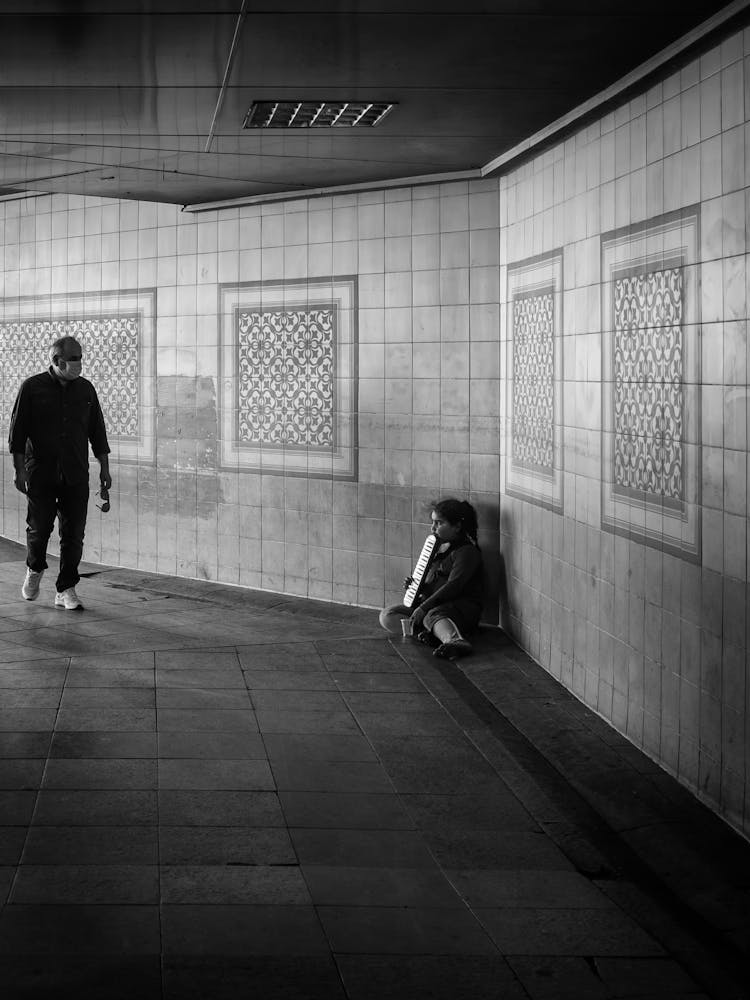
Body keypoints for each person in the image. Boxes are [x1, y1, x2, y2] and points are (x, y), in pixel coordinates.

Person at [8, 335, 111, 610]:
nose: (79, 363)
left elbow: (97, 432)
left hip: (75, 473)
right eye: (74, 358)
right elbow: (17, 433)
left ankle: (66, 588)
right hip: (40, 473)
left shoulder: (86, 390)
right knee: (39, 529)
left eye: (80, 357)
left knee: (74, 534)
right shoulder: (32, 388)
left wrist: (104, 469)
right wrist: (19, 471)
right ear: (57, 360)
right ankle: (35, 569)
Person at [379, 498, 483, 659]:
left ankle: (454, 640)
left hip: (459, 609)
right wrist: (416, 588)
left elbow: (453, 586)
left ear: (457, 526)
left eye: (439, 523)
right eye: (433, 522)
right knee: (388, 615)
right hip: (433, 606)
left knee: (431, 615)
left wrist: (424, 607)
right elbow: (435, 583)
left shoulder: (467, 552)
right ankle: (434, 633)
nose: (433, 528)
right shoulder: (441, 549)